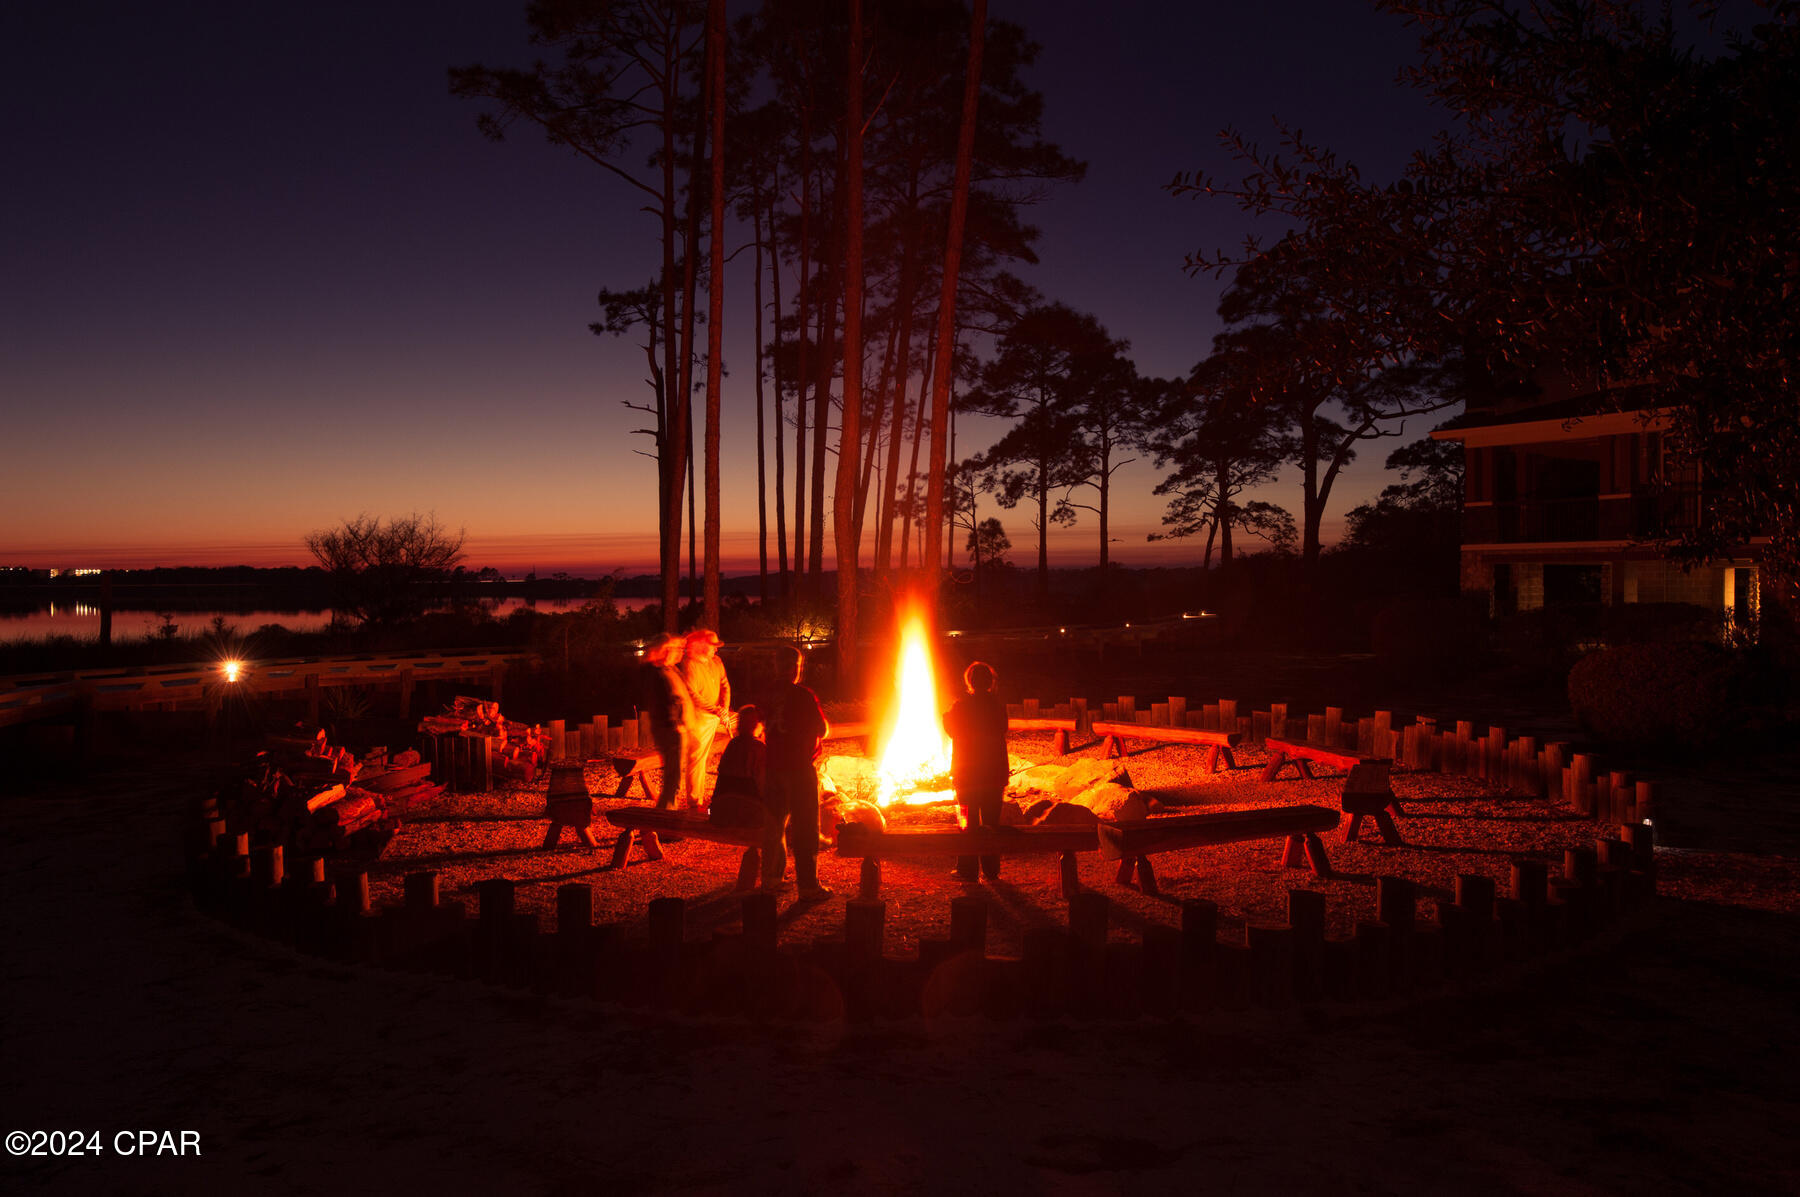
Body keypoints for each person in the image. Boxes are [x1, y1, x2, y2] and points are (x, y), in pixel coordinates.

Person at [760, 643, 833, 901]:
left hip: (772, 767)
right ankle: (808, 886)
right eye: (797, 667)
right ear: (794, 668)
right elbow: (822, 730)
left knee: (774, 826)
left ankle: (770, 880)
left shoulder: (766, 693)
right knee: (805, 828)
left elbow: (760, 724)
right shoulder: (803, 695)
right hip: (799, 768)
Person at [943, 660, 1009, 882]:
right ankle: (991, 870)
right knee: (991, 823)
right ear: (990, 682)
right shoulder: (997, 706)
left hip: (966, 775)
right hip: (993, 775)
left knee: (966, 822)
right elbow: (1002, 729)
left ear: (969, 681)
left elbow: (950, 728)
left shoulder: (961, 706)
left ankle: (967, 868)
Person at [638, 633, 695, 810]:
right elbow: (665, 702)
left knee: (675, 776)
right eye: (677, 648)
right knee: (673, 778)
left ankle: (668, 818)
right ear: (665, 651)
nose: (680, 652)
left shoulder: (671, 670)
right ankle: (665, 823)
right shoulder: (658, 674)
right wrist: (676, 725)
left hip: (677, 730)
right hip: (671, 731)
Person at [680, 628, 731, 808]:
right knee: (697, 758)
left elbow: (725, 684)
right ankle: (695, 802)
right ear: (701, 646)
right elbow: (692, 693)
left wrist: (724, 708)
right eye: (713, 646)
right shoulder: (690, 664)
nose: (716, 650)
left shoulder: (716, 661)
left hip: (718, 713)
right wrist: (716, 709)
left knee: (750, 726)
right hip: (699, 717)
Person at [710, 704, 766, 828]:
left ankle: (753, 847)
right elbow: (763, 785)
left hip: (721, 810)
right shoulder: (759, 748)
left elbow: (720, 781)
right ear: (757, 724)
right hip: (746, 811)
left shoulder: (732, 744)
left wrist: (711, 809)